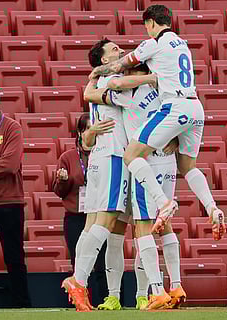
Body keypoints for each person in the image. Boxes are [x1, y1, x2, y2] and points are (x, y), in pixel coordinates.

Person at [87, 4, 226, 240]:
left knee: (132, 155)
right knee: (187, 167)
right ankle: (212, 207)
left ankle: (163, 203)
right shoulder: (182, 44)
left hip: (174, 105)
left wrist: (97, 72)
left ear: (151, 23)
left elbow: (121, 66)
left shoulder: (153, 44)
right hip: (196, 107)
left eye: (146, 27)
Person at [84, 63, 185, 310]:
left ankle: (152, 292)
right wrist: (178, 138)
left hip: (140, 163)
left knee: (142, 228)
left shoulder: (127, 94)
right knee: (162, 224)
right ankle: (174, 285)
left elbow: (93, 94)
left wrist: (95, 78)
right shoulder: (166, 91)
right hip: (165, 162)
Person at [61, 39, 132, 312]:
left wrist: (92, 82)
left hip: (98, 160)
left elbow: (89, 94)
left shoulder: (97, 83)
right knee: (107, 221)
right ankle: (78, 280)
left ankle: (79, 284)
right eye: (114, 50)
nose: (120, 52)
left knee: (91, 224)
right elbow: (118, 92)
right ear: (104, 61)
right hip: (113, 156)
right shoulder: (113, 80)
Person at [52, 113, 110, 306]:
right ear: (79, 132)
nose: (90, 132)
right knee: (79, 261)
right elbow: (59, 192)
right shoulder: (68, 157)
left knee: (102, 263)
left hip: (98, 214)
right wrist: (63, 180)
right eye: (86, 129)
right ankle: (81, 300)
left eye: (93, 128)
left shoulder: (104, 154)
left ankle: (106, 300)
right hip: (76, 217)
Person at [0, 82, 31, 308]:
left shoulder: (12, 127)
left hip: (9, 203)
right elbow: (0, 164)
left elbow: (10, 165)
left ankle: (22, 306)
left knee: (14, 258)